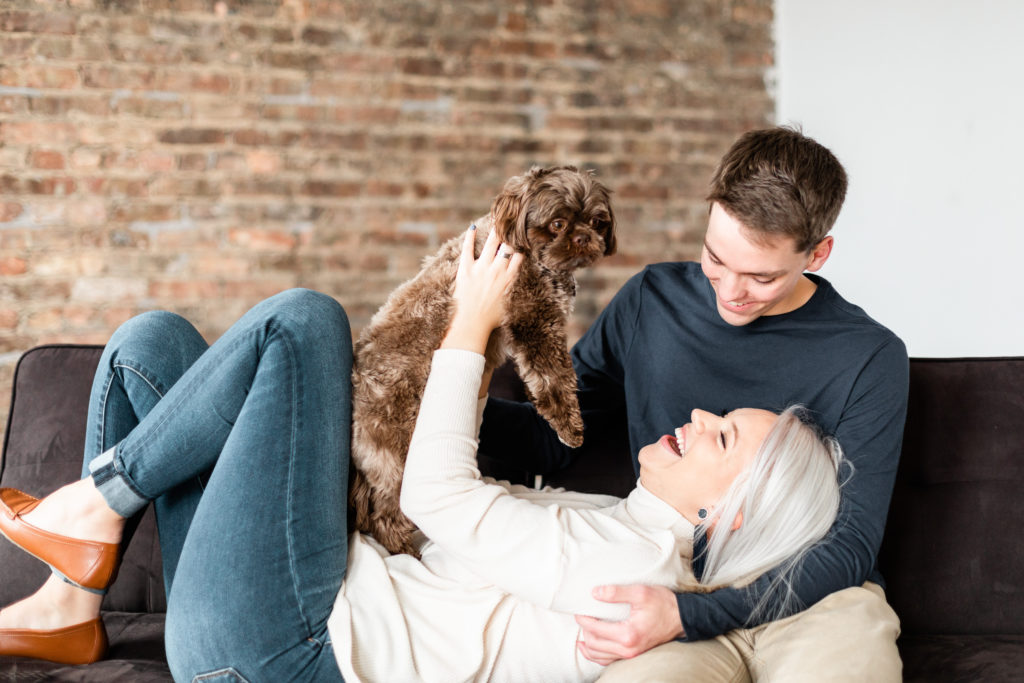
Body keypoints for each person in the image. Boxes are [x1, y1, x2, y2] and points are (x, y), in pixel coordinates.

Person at [0, 228, 845, 682]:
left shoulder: (633, 566)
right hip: (275, 602)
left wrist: (473, 320)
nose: (698, 415)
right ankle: (68, 605)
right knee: (151, 346)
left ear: (725, 512)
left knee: (305, 322)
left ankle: (93, 506)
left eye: (723, 434)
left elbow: (441, 497)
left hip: (290, 648)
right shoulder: (619, 520)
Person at [479, 125, 909, 681]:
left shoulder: (869, 355)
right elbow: (557, 438)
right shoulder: (651, 300)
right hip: (670, 578)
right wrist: (425, 396)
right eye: (715, 259)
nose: (730, 291)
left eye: (762, 276)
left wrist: (691, 616)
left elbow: (849, 545)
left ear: (818, 253)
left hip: (816, 600)